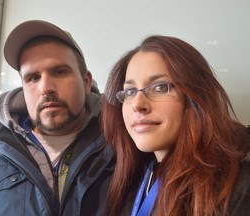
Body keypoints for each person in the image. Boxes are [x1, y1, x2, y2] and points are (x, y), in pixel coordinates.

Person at [0, 20, 114, 216]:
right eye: (33, 77)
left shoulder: (125, 144)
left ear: (85, 82)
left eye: (59, 72)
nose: (46, 88)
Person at [102, 35, 250, 216]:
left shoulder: (237, 188)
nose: (137, 104)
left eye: (159, 87)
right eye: (131, 91)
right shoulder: (132, 177)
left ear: (195, 98)